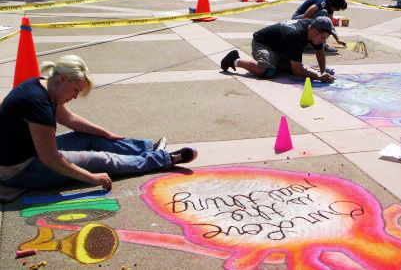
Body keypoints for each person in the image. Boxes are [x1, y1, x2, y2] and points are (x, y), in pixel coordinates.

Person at [0, 55, 197, 193]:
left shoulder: (45, 86)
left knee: (90, 138)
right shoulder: (37, 103)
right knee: (102, 160)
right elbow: (50, 158)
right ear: (62, 79)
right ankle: (163, 159)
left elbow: (70, 120)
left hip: (32, 151)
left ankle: (145, 148)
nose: (75, 96)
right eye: (75, 90)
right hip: (19, 170)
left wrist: (105, 133)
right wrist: (91, 178)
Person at [220, 17, 336, 83]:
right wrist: (318, 77)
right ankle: (234, 59)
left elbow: (319, 51)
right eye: (323, 38)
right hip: (263, 43)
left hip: (280, 49)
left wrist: (322, 71)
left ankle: (277, 62)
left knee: (289, 69)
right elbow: (297, 70)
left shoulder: (312, 27)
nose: (323, 42)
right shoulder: (297, 35)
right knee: (267, 70)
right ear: (315, 31)